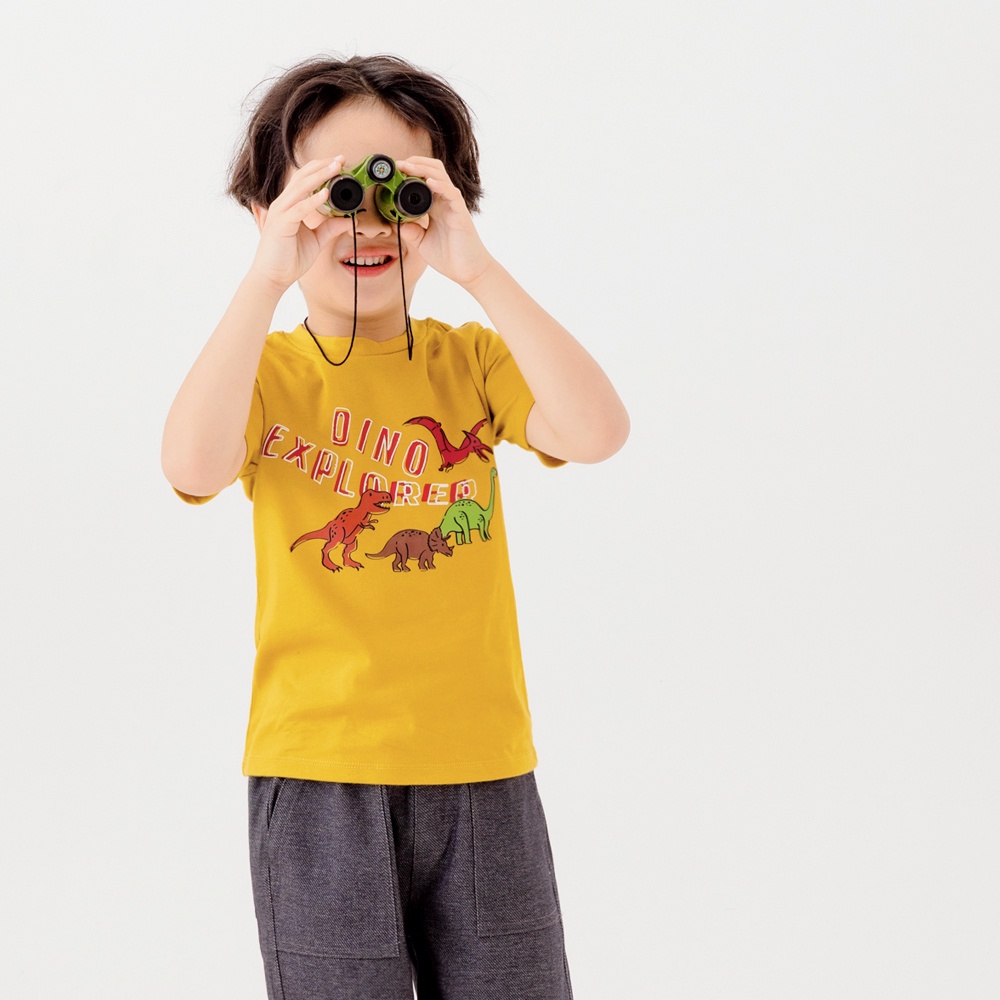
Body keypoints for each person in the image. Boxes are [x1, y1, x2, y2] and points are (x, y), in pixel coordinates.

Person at [161, 52, 629, 1000]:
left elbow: (597, 431)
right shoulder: (266, 376)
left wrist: (477, 267)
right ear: (265, 208)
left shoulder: (474, 363)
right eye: (331, 193)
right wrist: (265, 278)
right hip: (318, 772)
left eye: (398, 194)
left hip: (482, 765)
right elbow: (192, 465)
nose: (367, 223)